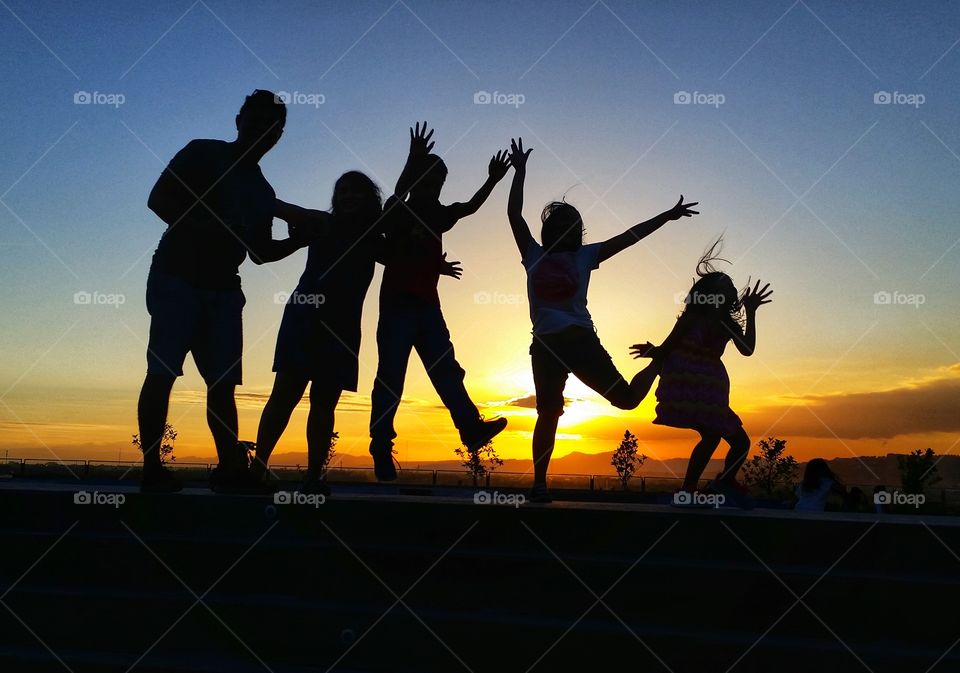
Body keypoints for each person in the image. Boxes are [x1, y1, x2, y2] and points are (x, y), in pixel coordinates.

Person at [137, 90, 321, 493]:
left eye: (271, 128)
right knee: (162, 373)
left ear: (277, 137)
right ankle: (152, 468)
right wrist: (214, 227)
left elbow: (258, 253)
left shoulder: (262, 190)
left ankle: (229, 471)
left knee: (222, 384)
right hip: (177, 276)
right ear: (239, 121)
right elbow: (158, 201)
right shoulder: (201, 153)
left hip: (224, 287)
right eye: (254, 122)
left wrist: (299, 241)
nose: (261, 132)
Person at [507, 137, 698, 503]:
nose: (567, 227)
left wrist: (667, 216)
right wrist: (520, 172)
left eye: (572, 223)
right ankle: (539, 484)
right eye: (561, 222)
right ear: (549, 229)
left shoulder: (585, 256)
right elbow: (515, 216)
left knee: (626, 400)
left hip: (580, 340)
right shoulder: (531, 253)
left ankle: (660, 360)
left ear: (578, 232)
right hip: (544, 346)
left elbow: (629, 237)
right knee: (547, 414)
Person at [249, 171, 462, 494]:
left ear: (368, 199)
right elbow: (275, 207)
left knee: (324, 404)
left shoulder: (374, 238)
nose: (348, 196)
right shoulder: (322, 223)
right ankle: (258, 469)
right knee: (285, 396)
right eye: (342, 191)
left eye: (356, 192)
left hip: (342, 327)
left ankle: (312, 478)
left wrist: (436, 266)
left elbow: (403, 246)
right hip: (305, 317)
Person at [368, 122, 511, 481]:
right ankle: (381, 447)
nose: (432, 189)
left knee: (447, 370)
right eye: (426, 182)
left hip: (428, 309)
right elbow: (390, 212)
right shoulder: (398, 209)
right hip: (398, 307)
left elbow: (471, 207)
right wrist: (410, 160)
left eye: (437, 184)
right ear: (415, 182)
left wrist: (493, 180)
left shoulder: (438, 214)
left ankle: (470, 428)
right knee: (390, 378)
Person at [632, 239, 772, 508]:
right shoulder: (691, 319)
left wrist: (752, 312)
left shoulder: (726, 323)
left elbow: (747, 350)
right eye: (726, 285)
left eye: (731, 286)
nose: (732, 289)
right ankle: (717, 484)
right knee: (736, 441)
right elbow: (668, 347)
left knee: (717, 438)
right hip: (694, 386)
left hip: (711, 388)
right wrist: (654, 352)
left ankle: (697, 487)